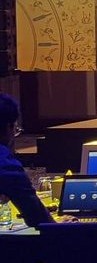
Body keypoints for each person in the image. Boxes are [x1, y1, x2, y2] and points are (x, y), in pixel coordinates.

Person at [0, 94, 50, 227]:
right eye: (16, 130)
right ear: (8, 128)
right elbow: (38, 217)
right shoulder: (5, 164)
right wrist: (61, 226)